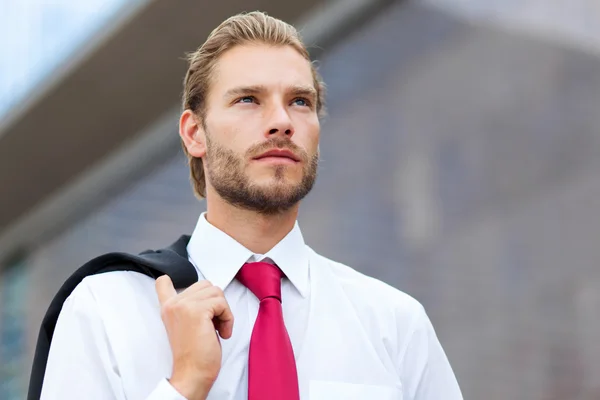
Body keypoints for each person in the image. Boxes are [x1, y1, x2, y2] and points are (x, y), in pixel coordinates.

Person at [39, 11, 463, 400]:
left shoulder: (394, 325)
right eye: (248, 100)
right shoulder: (106, 308)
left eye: (300, 101)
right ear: (194, 133)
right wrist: (184, 384)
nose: (282, 121)